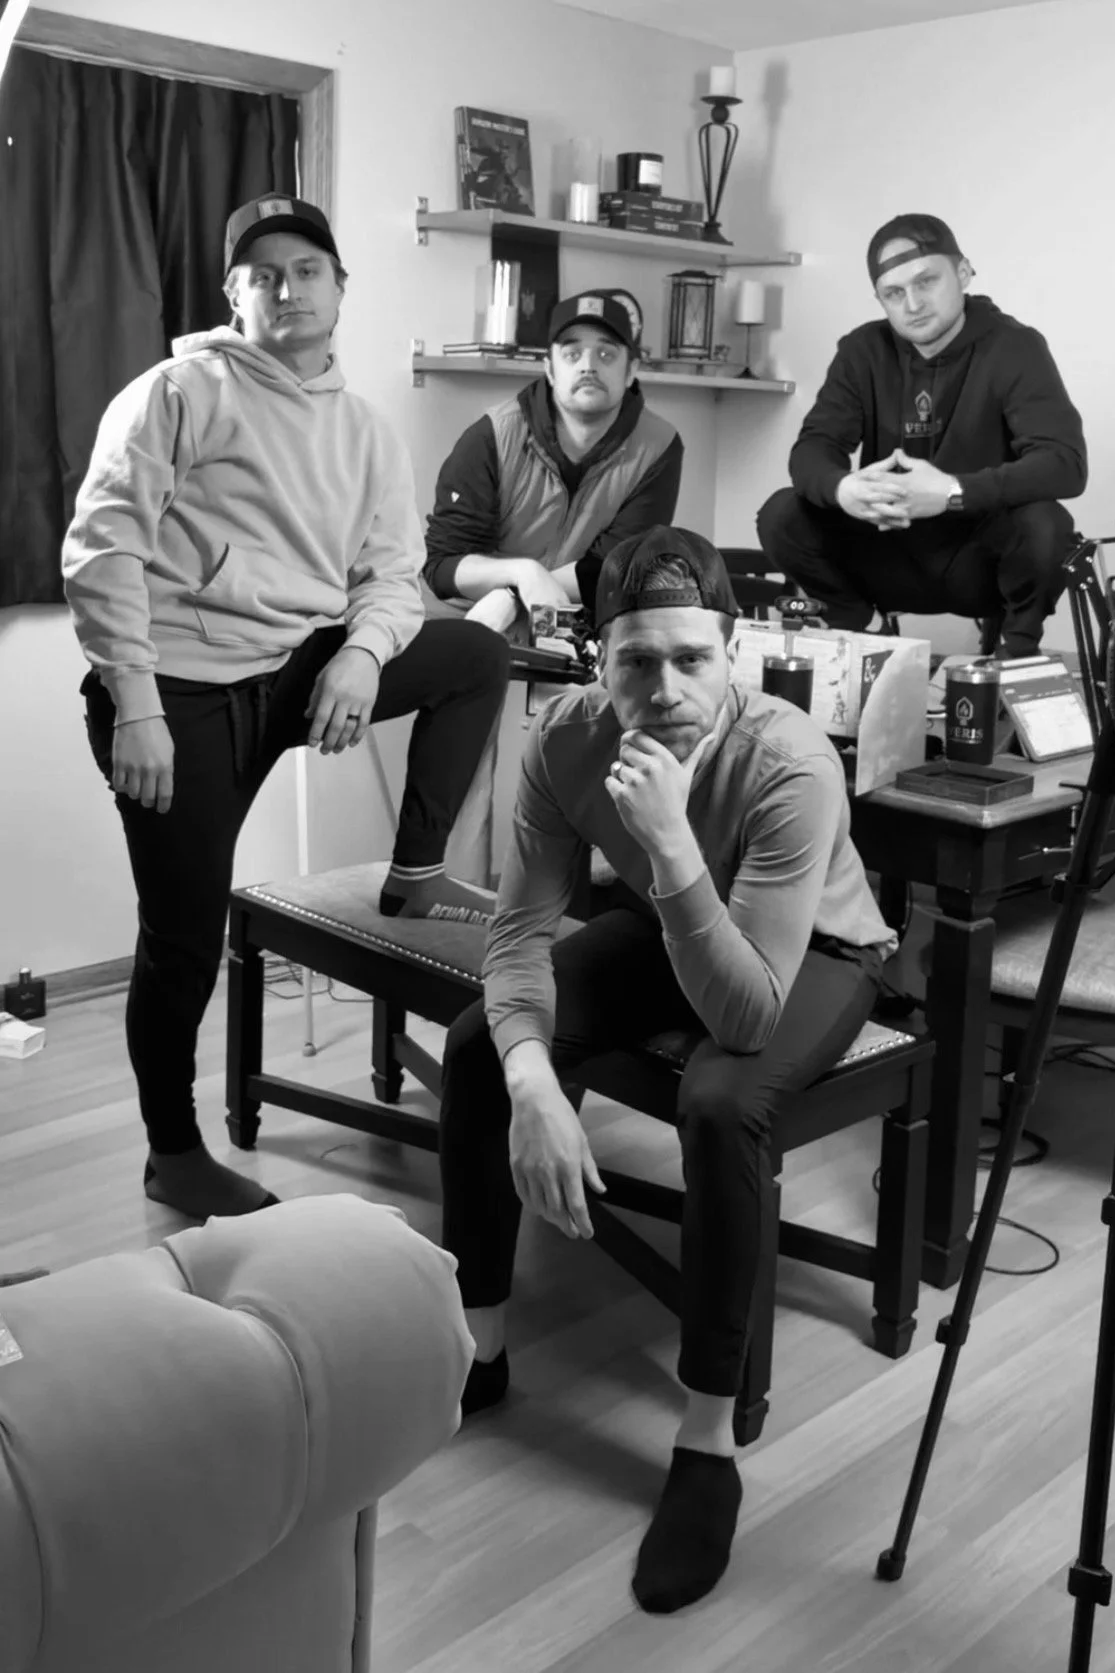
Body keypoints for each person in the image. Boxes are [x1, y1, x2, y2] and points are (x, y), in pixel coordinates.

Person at [438, 525, 897, 1614]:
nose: (665, 689)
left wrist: (672, 840)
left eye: (692, 658)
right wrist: (536, 1084)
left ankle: (707, 1441)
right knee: (480, 1044)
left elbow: (743, 1013)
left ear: (733, 649)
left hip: (811, 954)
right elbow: (518, 934)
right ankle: (481, 1346)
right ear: (597, 659)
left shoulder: (789, 758)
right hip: (670, 918)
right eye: (636, 661)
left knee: (720, 1099)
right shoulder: (564, 737)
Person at [61, 192, 510, 1221]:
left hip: (297, 668)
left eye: (307, 269)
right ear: (235, 294)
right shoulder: (176, 392)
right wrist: (134, 704)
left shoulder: (365, 431)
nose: (287, 288)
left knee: (475, 653)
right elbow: (101, 552)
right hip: (180, 690)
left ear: (341, 288)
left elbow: (392, 575)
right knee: (183, 937)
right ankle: (173, 1151)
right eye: (262, 274)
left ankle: (416, 872)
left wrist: (361, 656)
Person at [757, 213, 1088, 659]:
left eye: (926, 281)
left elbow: (1065, 464)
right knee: (782, 513)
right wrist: (844, 489)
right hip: (888, 545)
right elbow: (814, 448)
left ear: (963, 273)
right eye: (894, 293)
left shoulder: (1016, 346)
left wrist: (952, 492)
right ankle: (863, 628)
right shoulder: (862, 350)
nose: (912, 304)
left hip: (978, 562)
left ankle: (1016, 654)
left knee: (1047, 523)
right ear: (880, 299)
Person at [422, 289, 683, 634]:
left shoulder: (659, 446)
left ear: (631, 369)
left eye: (606, 354)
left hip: (564, 629)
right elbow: (441, 565)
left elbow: (614, 566)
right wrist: (522, 574)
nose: (588, 366)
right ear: (549, 368)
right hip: (462, 621)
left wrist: (513, 596)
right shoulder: (492, 436)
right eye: (572, 354)